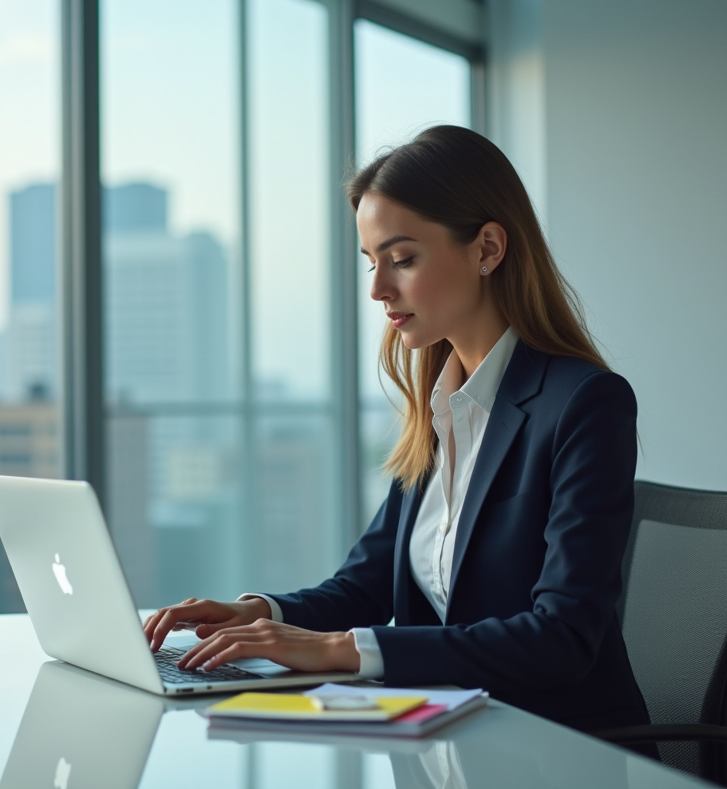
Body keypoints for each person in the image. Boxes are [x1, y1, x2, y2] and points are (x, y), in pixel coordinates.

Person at [143, 124, 652, 735]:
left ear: (488, 248)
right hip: (449, 737)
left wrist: (340, 650)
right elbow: (365, 584)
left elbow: (562, 637)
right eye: (371, 263)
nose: (379, 289)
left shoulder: (584, 404)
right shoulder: (438, 409)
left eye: (402, 259)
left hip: (553, 747)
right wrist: (258, 613)